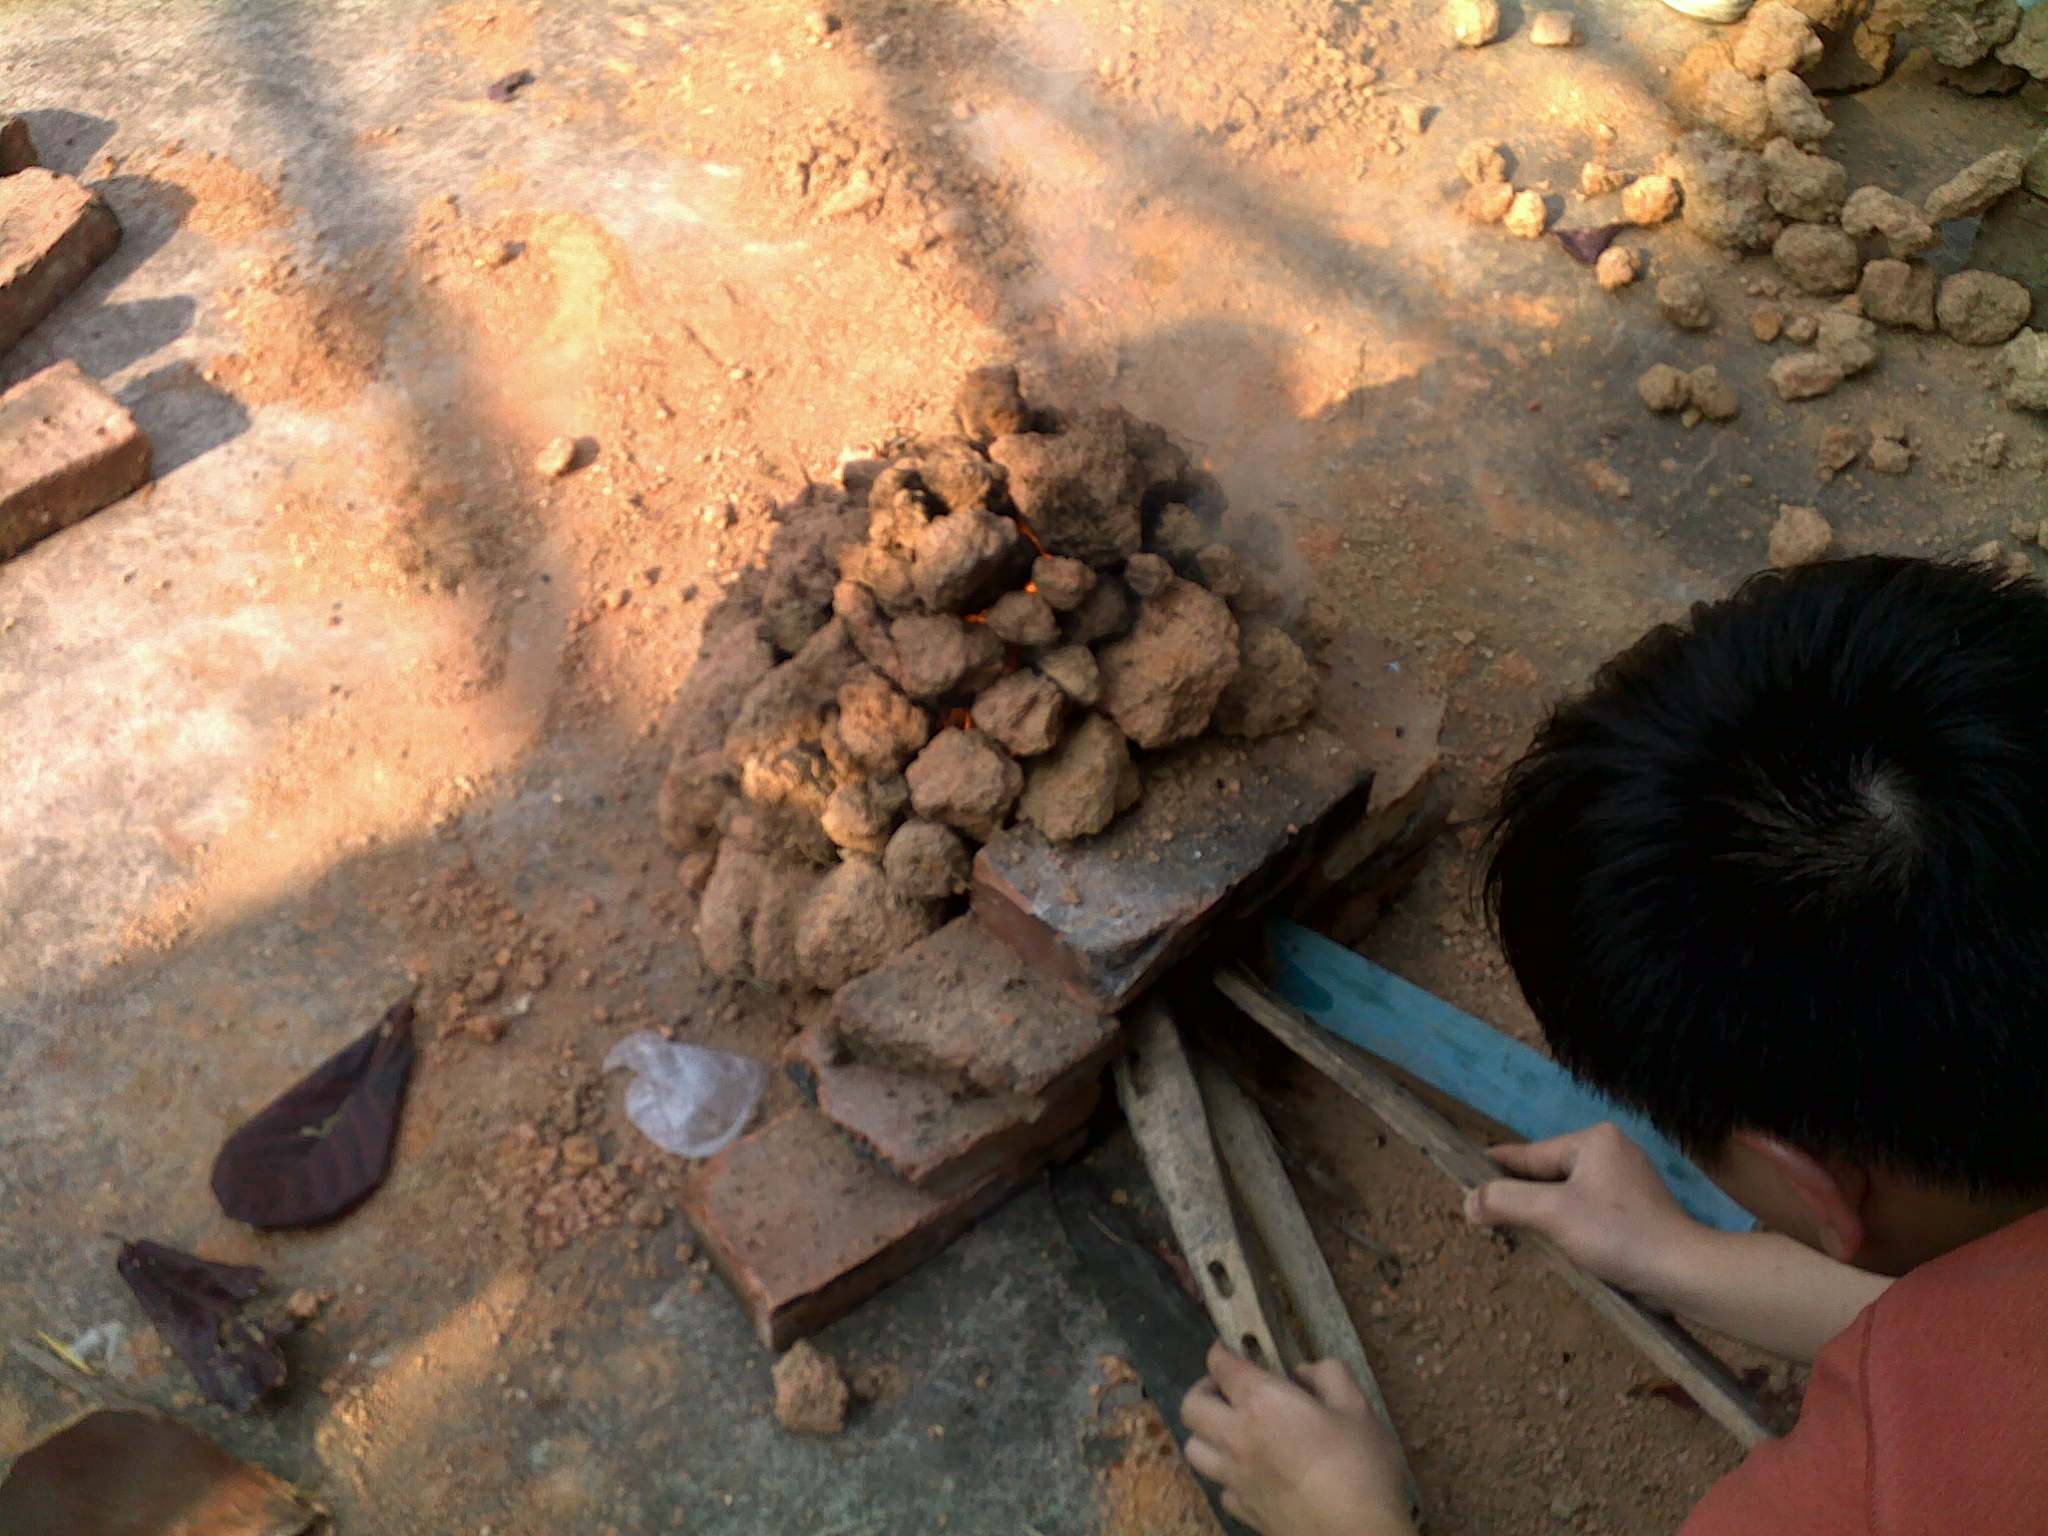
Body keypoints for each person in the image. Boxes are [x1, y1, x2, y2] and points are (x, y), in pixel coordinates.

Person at [1181, 556, 2048, 1535]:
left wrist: (1342, 1515)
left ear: (1814, 1185)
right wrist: (1677, 1259)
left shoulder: (1878, 1504)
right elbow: (1981, 1326)